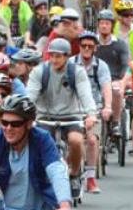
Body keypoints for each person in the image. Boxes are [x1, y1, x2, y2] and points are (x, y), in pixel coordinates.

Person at [26, 37, 97, 194]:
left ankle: (74, 173)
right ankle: (42, 176)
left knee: (76, 141)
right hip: (45, 116)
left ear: (67, 56)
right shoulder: (39, 72)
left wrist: (91, 114)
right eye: (51, 55)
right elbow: (29, 97)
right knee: (41, 145)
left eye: (58, 56)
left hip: (71, 116)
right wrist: (26, 116)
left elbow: (85, 94)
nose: (54, 59)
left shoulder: (76, 72)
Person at [73, 30, 112, 193]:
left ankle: (90, 178)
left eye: (90, 46)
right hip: (73, 108)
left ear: (95, 47)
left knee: (92, 141)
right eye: (83, 46)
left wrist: (107, 106)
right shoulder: (70, 63)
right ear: (79, 47)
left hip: (93, 109)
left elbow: (106, 87)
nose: (87, 49)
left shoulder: (101, 66)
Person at [95, 10, 129, 133]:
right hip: (95, 80)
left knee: (116, 91)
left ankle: (116, 122)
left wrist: (121, 82)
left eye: (107, 23)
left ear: (112, 26)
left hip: (114, 80)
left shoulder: (120, 45)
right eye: (102, 23)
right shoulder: (92, 43)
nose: (104, 26)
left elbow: (125, 65)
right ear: (98, 25)